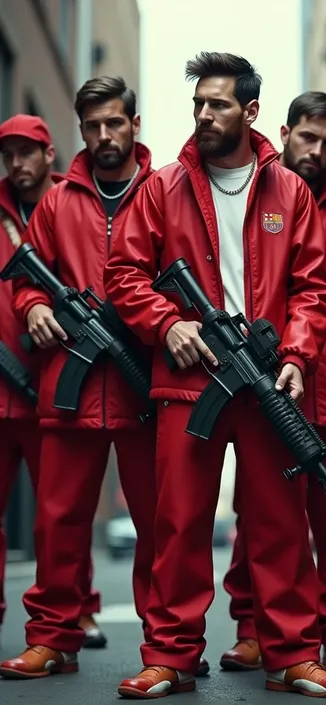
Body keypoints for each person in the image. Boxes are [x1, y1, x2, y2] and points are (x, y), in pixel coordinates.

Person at [103, 52, 326, 699]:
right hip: (189, 382)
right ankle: (171, 656)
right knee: (179, 525)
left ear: (250, 111)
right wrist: (169, 325)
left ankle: (293, 655)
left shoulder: (289, 191)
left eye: (217, 103)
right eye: (198, 103)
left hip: (268, 380)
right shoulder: (161, 186)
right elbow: (124, 275)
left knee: (278, 525)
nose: (204, 114)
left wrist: (298, 355)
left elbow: (313, 290)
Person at [220, 92, 326, 674]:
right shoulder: (255, 200)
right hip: (268, 395)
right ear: (286, 130)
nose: (316, 151)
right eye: (307, 137)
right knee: (262, 518)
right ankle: (253, 628)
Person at [0, 78, 160, 679]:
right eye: (92, 127)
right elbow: (25, 279)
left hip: (142, 387)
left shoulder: (163, 194)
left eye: (114, 124)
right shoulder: (57, 202)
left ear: (134, 124)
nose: (103, 137)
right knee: (56, 521)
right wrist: (35, 307)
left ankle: (167, 648)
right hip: (67, 385)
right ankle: (52, 639)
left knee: (158, 524)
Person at [0, 114, 106, 650]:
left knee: (63, 512)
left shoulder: (71, 204)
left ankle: (80, 609)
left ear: (48, 154)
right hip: (1, 388)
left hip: (50, 384)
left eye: (26, 153)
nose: (16, 164)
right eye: (8, 155)